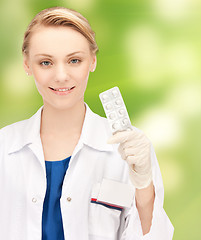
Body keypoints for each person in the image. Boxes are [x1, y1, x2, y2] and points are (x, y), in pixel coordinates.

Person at [0, 6, 174, 240]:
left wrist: (143, 185)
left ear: (92, 61)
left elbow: (155, 237)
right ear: (27, 65)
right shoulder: (4, 148)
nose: (61, 76)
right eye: (45, 63)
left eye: (74, 60)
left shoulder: (129, 149)